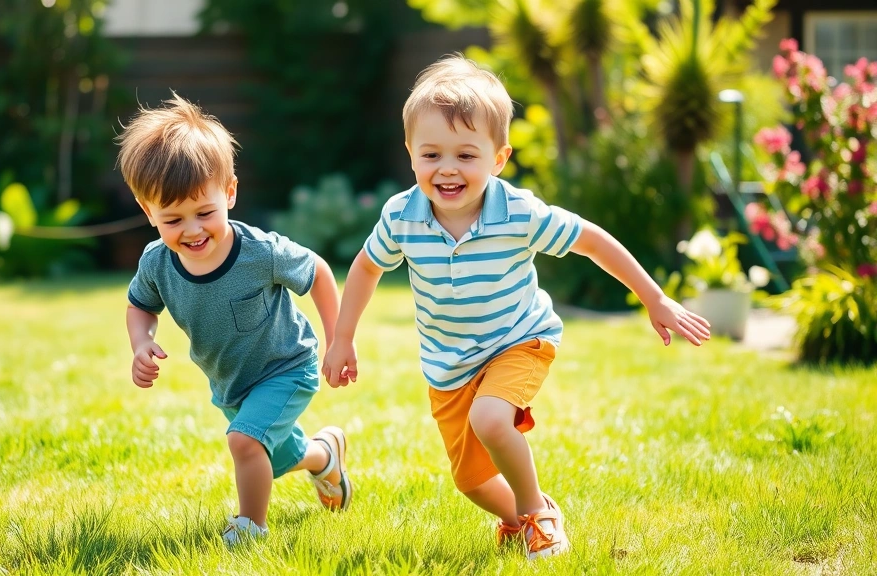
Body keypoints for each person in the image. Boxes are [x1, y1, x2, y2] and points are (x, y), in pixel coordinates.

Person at [322, 56, 711, 559]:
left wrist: (654, 297)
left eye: (466, 155)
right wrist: (343, 337)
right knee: (471, 481)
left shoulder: (519, 213)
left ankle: (538, 516)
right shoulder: (401, 216)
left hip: (519, 340)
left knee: (490, 419)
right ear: (410, 153)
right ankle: (517, 518)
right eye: (431, 154)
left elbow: (591, 241)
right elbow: (366, 268)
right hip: (449, 365)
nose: (447, 168)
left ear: (499, 158)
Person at [117, 93, 352, 546]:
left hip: (286, 367)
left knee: (245, 443)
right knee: (271, 458)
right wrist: (141, 342)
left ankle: (250, 527)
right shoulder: (156, 262)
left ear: (229, 192)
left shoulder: (260, 252)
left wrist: (338, 339)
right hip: (232, 383)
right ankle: (325, 456)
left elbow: (319, 273)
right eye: (173, 219)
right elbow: (140, 305)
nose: (192, 230)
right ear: (148, 212)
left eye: (205, 213)